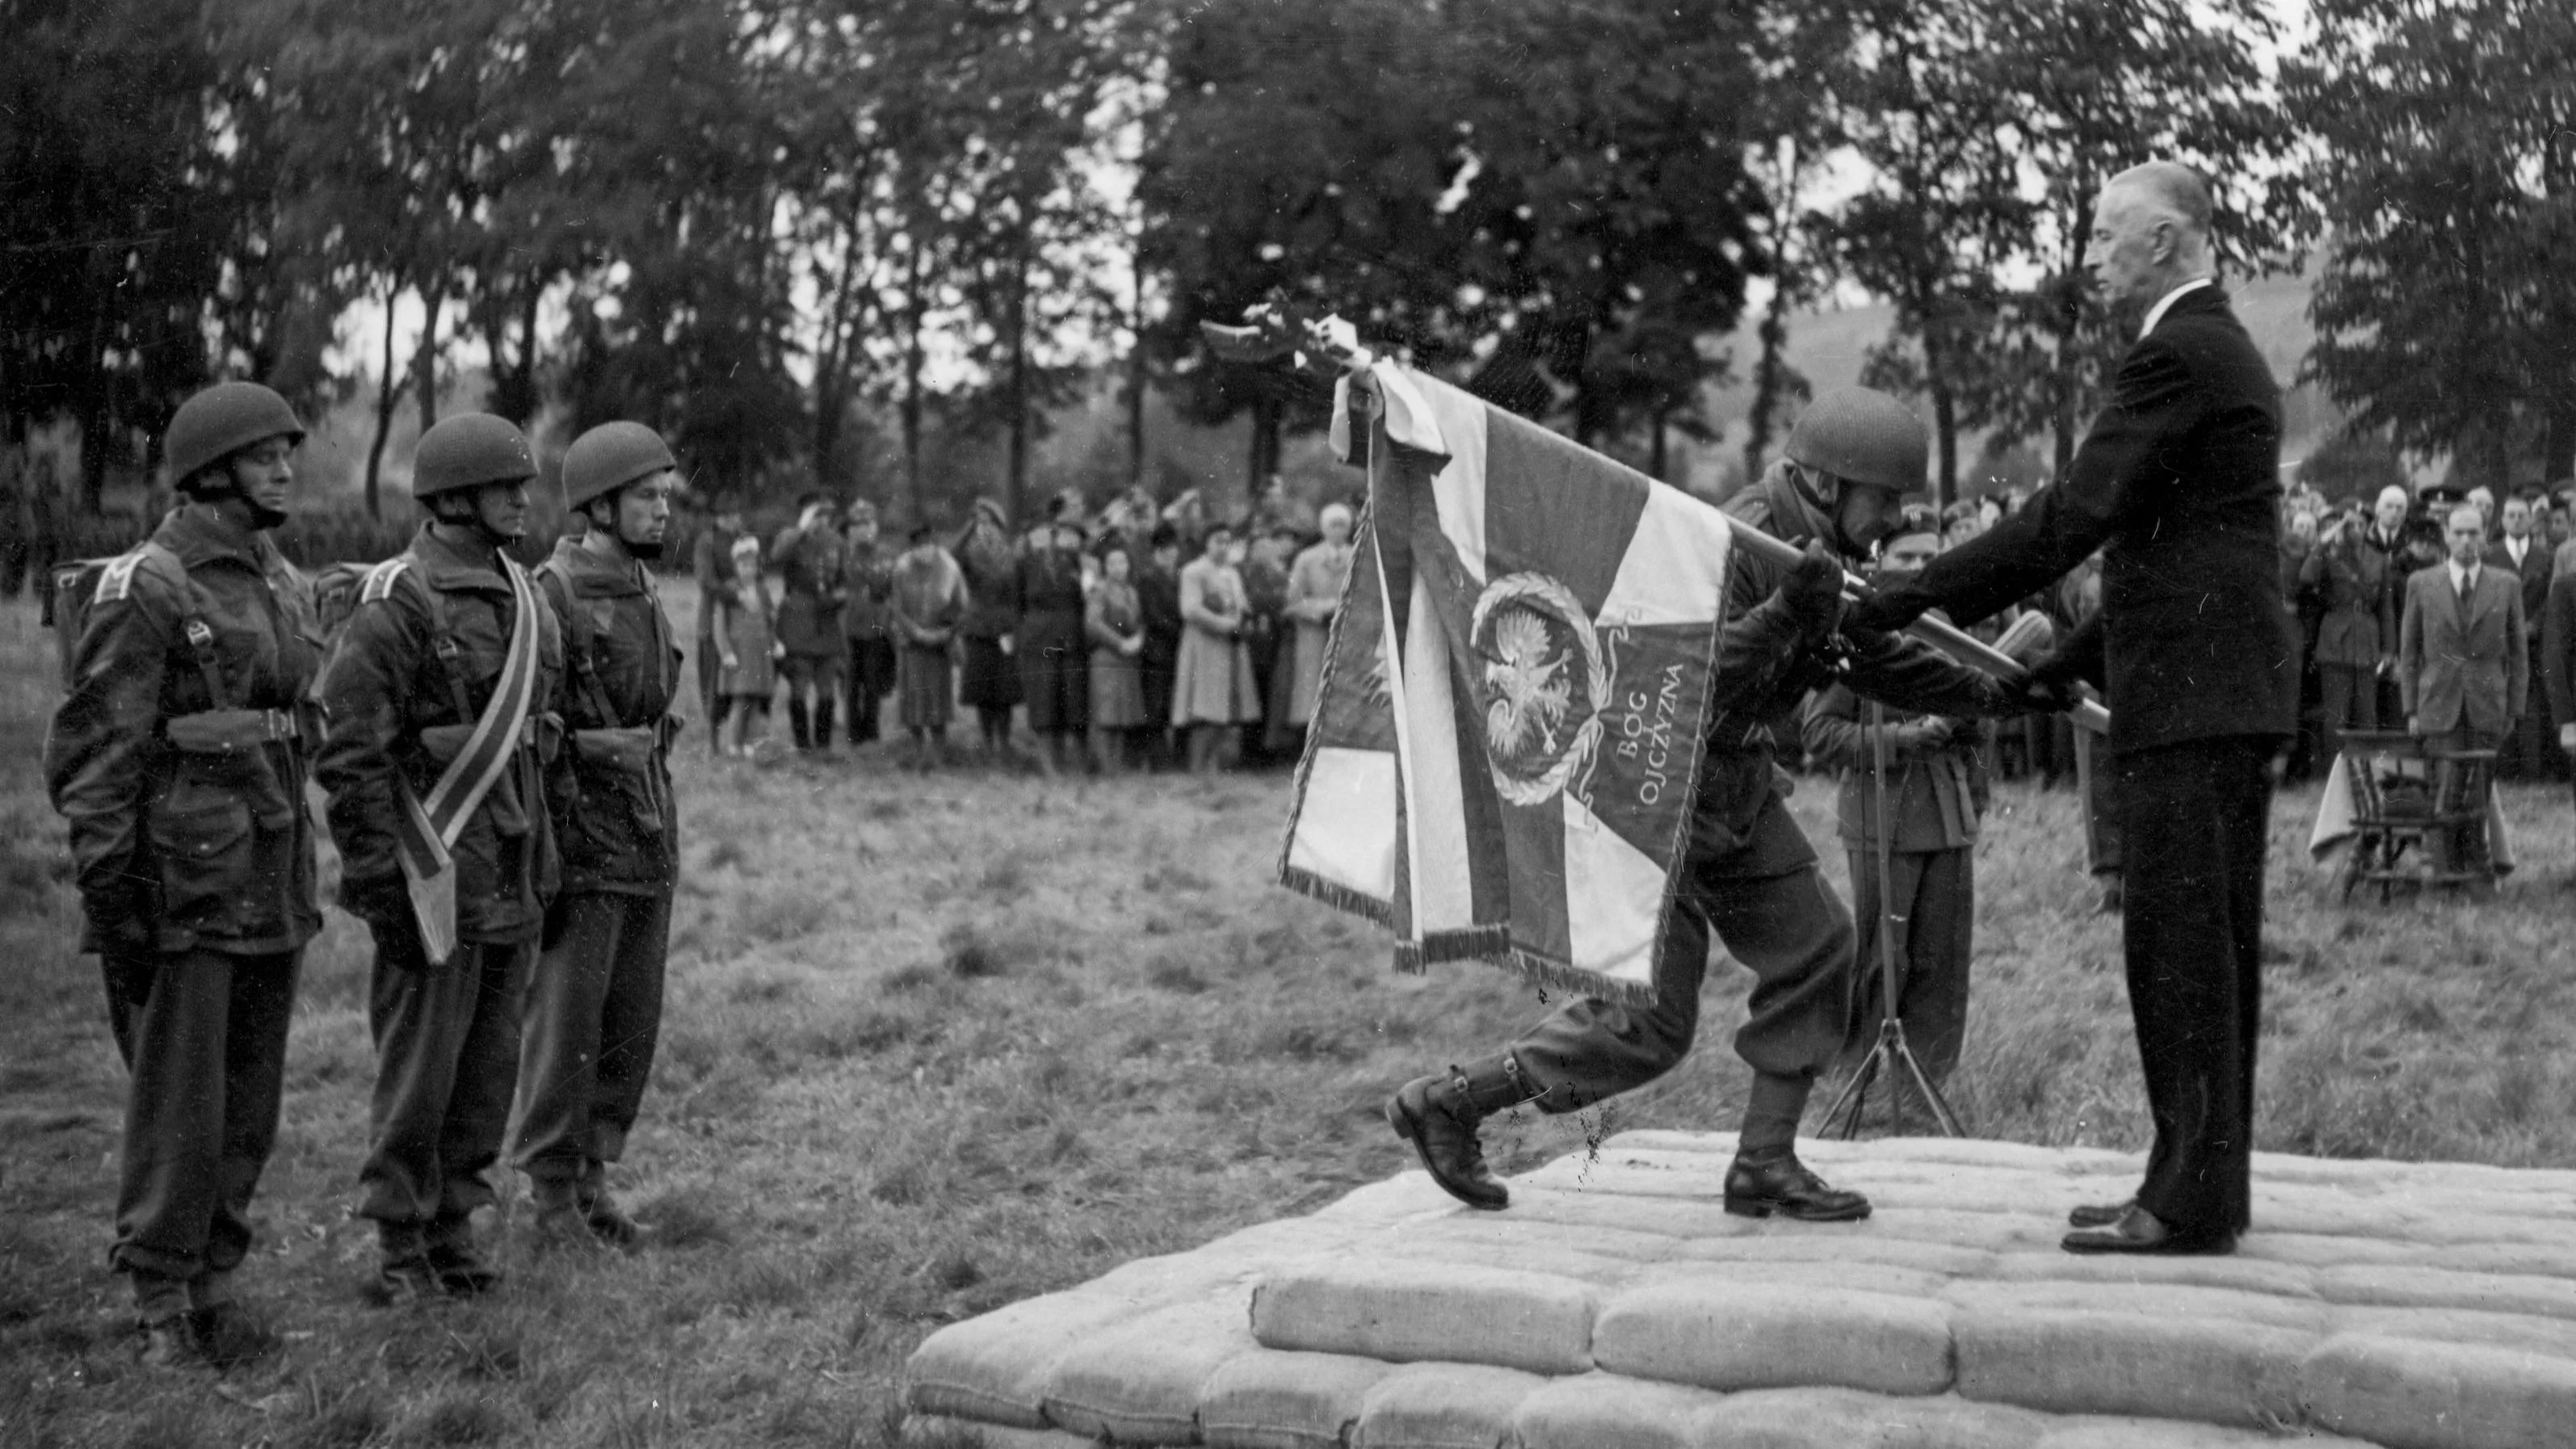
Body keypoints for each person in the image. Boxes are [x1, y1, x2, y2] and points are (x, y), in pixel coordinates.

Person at [1389, 387, 2024, 1224]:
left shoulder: (1819, 544)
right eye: (1887, 499)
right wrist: (1782, 613)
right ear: (1828, 484)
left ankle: (1765, 1161)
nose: (1895, 517)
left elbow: (1870, 659)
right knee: (1647, 1029)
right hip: (1659, 791)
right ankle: (1450, 1102)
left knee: (1817, 947)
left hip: (1734, 786)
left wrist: (2004, 693)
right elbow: (1675, 674)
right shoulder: (1725, 535)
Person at [1851, 162, 2297, 1257]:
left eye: (2103, 235)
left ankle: (2186, 1198)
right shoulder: (2211, 347)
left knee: (2180, 947)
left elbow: (2074, 515)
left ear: (2163, 239)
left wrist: (1911, 591)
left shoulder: (2177, 350)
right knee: (2202, 945)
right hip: (2209, 686)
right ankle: (2192, 1184)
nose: (2086, 254)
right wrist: (2058, 664)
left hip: (2194, 699)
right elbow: (2169, 548)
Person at [45, 382, 321, 1364]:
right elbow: (94, 759)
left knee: (250, 1100)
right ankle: (159, 1297)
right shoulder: (149, 587)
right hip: (181, 884)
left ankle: (215, 1282)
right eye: (264, 456)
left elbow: (299, 723)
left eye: (288, 452)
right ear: (210, 473)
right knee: (181, 1103)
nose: (286, 467)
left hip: (271, 869)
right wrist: (112, 895)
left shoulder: (281, 580)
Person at [315, 413, 567, 1299]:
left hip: (513, 874)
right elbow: (349, 754)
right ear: (452, 496)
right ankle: (399, 1244)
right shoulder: (399, 599)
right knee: (420, 1073)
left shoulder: (528, 596)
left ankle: (453, 1227)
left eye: (524, 485)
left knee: (488, 1070)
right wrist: (383, 881)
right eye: (505, 486)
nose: (522, 499)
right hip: (432, 880)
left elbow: (543, 742)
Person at [511, 422, 683, 1250]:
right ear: (599, 503)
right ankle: (551, 1198)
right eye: (647, 496)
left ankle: (594, 1179)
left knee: (629, 1018)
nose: (662, 510)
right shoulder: (556, 591)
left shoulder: (643, 587)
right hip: (582, 836)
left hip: (647, 828)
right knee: (570, 1023)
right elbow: (534, 728)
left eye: (665, 496)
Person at [1801, 519, 1988, 1094]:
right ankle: (1853, 1069)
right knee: (1883, 957)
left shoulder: (1950, 630)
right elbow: (1818, 730)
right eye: (1906, 557)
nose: (1917, 567)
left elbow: (1979, 730)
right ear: (1881, 561)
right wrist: (1898, 742)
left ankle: (1925, 1080)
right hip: (1883, 814)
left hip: (1946, 815)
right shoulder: (1860, 629)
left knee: (1943, 959)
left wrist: (1965, 737)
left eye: (1929, 556)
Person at [2399, 503, 2526, 875]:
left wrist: (2514, 710)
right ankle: (2442, 872)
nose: (2467, 540)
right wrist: (2410, 710)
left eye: (2474, 533)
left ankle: (2476, 872)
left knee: (2479, 792)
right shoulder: (2421, 584)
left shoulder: (2506, 585)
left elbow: (2518, 655)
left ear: (2485, 537)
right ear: (2447, 536)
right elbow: (2409, 654)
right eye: (2459, 532)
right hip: (2439, 703)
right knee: (2444, 791)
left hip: (2489, 704)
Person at [2302, 489, 2402, 767]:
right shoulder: (2330, 554)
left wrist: (2389, 650)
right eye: (2350, 524)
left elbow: (2386, 608)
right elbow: (2306, 575)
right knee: (2336, 716)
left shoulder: (2378, 559)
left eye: (2361, 523)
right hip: (2336, 639)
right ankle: (2333, 776)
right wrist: (2326, 541)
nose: (2356, 529)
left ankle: (2366, 771)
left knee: (2366, 715)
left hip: (2367, 641)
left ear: (2368, 525)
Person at [1172, 523, 1261, 773]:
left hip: (1230, 645)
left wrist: (1244, 618)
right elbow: (1190, 609)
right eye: (1217, 541)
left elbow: (1241, 603)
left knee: (1225, 709)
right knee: (1205, 708)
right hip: (1205, 645)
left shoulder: (1232, 573)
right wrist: (1225, 624)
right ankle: (1197, 766)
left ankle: (1215, 765)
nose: (1223, 547)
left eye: (1227, 542)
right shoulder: (1193, 571)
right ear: (1206, 543)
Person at [2486, 494, 2557, 781]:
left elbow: (2551, 598)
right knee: (2501, 702)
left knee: (2532, 705)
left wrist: (2534, 624)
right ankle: (2504, 771)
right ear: (2502, 521)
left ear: (2530, 520)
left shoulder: (2544, 556)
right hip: (2500, 642)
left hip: (2533, 642)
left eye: (2522, 515)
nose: (2516, 520)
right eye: (2511, 515)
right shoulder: (2490, 555)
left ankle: (2532, 771)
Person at [771, 494, 847, 754]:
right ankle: (803, 745)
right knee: (799, 685)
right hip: (797, 620)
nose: (822, 521)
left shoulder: (836, 542)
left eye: (825, 515)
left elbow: (846, 580)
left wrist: (840, 595)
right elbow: (777, 556)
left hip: (827, 621)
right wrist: (801, 528)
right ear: (805, 514)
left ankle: (823, 747)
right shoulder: (791, 538)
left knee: (827, 687)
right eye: (816, 515)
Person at [1015, 516, 1090, 775]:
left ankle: (1079, 763)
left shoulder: (1077, 563)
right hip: (1038, 642)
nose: (1041, 540)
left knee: (1074, 701)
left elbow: (1085, 601)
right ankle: (1049, 766)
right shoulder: (1024, 565)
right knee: (1044, 702)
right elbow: (1018, 606)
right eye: (1034, 536)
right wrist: (1022, 638)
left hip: (1071, 638)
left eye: (1046, 534)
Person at [890, 524, 966, 770]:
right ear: (913, 549)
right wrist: (918, 633)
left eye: (930, 546)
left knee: (938, 703)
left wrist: (947, 632)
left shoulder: (949, 567)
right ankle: (918, 750)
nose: (926, 552)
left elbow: (961, 604)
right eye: (920, 547)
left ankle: (939, 755)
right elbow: (897, 609)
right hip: (912, 644)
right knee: (913, 703)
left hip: (939, 645)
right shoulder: (901, 568)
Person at [954, 498, 1023, 760]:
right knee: (982, 689)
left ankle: (1004, 742)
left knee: (1005, 690)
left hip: (1005, 625)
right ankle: (987, 742)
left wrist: (1016, 625)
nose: (984, 527)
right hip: (979, 626)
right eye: (978, 522)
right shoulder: (969, 551)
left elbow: (1018, 588)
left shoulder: (1012, 551)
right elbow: (951, 558)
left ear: (998, 524)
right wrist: (966, 531)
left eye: (988, 522)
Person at [1284, 502, 1356, 741]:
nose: (1338, 530)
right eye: (1333, 525)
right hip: (1313, 632)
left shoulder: (1357, 555)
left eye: (1342, 525)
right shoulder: (1307, 558)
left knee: (1343, 687)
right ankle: (1306, 743)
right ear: (1323, 528)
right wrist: (1319, 611)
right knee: (1311, 687)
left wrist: (1342, 611)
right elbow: (1292, 600)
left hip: (1345, 631)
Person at [1084, 541, 1149, 772]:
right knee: (1106, 714)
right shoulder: (1099, 589)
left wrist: (1138, 639)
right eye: (1112, 563)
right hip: (1106, 655)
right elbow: (1093, 623)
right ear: (1105, 566)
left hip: (1128, 656)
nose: (1118, 568)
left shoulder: (1131, 591)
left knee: (1123, 715)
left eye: (1122, 562)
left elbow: (1140, 621)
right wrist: (1120, 643)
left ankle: (1116, 765)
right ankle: (1105, 766)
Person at [711, 536, 778, 758]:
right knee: (740, 701)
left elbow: (769, 620)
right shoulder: (729, 590)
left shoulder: (762, 590)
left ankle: (751, 743)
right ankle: (733, 744)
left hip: (760, 653)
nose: (748, 570)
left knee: (756, 700)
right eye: (743, 565)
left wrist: (774, 643)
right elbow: (719, 625)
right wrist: (726, 652)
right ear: (736, 566)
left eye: (752, 565)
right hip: (739, 654)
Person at [841, 502, 897, 749]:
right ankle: (854, 734)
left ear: (876, 525)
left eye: (867, 523)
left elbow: (891, 589)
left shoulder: (886, 555)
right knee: (852, 683)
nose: (863, 530)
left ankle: (872, 732)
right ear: (850, 529)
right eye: (857, 525)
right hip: (849, 627)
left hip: (877, 626)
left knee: (873, 682)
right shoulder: (844, 554)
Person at [689, 502, 746, 730]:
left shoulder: (742, 540)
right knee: (713, 675)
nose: (732, 519)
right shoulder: (707, 541)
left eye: (734, 513)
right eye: (726, 514)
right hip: (713, 616)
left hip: (741, 619)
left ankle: (737, 729)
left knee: (739, 676)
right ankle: (713, 729)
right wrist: (731, 591)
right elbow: (705, 579)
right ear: (717, 517)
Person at [1136, 523, 1186, 770]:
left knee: (1176, 704)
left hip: (1178, 650)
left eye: (1173, 549)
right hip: (1157, 649)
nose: (1170, 554)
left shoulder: (1181, 575)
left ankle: (1177, 757)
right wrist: (1181, 631)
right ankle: (1158, 761)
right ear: (1156, 552)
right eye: (1165, 550)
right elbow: (1153, 616)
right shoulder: (1148, 578)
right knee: (1155, 708)